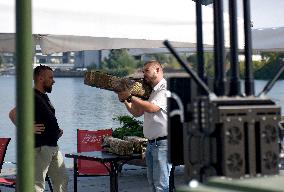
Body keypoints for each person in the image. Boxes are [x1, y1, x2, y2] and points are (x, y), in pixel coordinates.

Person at [9, 65, 68, 192]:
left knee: (62, 180)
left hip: (53, 147)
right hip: (40, 148)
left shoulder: (43, 96)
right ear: (41, 78)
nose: (54, 81)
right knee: (36, 186)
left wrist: (55, 131)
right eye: (51, 77)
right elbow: (13, 114)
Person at [117, 60, 171, 192]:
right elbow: (137, 113)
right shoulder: (150, 91)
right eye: (143, 71)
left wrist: (131, 96)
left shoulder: (165, 88)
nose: (143, 73)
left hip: (163, 143)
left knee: (161, 186)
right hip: (152, 144)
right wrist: (125, 99)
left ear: (157, 70)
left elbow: (152, 108)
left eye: (146, 70)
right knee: (153, 184)